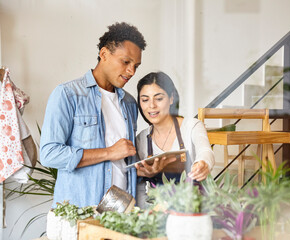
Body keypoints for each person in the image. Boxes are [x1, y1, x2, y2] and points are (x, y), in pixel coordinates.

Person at [40, 22, 146, 208]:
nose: (132, 72)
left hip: (121, 212)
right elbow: (50, 154)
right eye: (126, 62)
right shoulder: (68, 94)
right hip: (81, 211)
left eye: (136, 65)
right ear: (104, 54)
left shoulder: (129, 103)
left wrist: (142, 167)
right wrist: (109, 152)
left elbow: (123, 159)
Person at [135, 72, 215, 207]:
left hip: (196, 208)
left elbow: (205, 151)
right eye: (145, 100)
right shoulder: (142, 139)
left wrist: (203, 164)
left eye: (159, 98)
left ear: (171, 98)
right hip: (159, 213)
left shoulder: (192, 126)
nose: (152, 105)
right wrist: (146, 215)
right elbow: (140, 188)